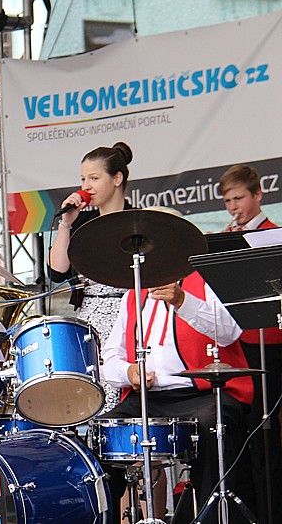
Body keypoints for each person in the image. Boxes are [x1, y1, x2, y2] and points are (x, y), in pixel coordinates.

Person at [100, 271, 255, 523]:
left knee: (213, 426)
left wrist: (183, 301)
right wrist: (128, 372)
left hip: (202, 393)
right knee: (102, 433)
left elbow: (230, 331)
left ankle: (212, 517)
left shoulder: (205, 279)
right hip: (148, 397)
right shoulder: (133, 294)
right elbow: (110, 357)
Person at [48, 141, 134, 413]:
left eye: (94, 178)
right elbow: (57, 271)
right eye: (83, 179)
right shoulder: (83, 224)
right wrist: (66, 224)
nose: (87, 186)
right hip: (88, 316)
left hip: (127, 314)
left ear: (117, 179)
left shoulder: (138, 221)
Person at [220, 163, 282, 522]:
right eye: (228, 201)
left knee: (266, 431)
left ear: (258, 195)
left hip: (269, 344)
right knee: (244, 432)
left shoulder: (274, 235)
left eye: (239, 198)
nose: (233, 207)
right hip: (237, 345)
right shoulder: (226, 237)